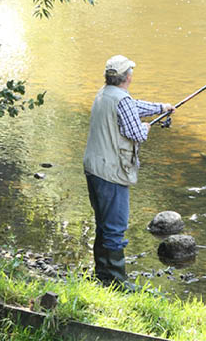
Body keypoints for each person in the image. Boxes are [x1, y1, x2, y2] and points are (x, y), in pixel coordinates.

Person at [83, 55, 174, 290]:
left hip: (94, 168)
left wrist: (161, 108)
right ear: (128, 77)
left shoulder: (104, 93)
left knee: (103, 224)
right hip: (110, 172)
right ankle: (117, 281)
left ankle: (102, 276)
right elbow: (137, 134)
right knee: (115, 226)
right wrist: (146, 127)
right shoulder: (121, 100)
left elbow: (132, 107)